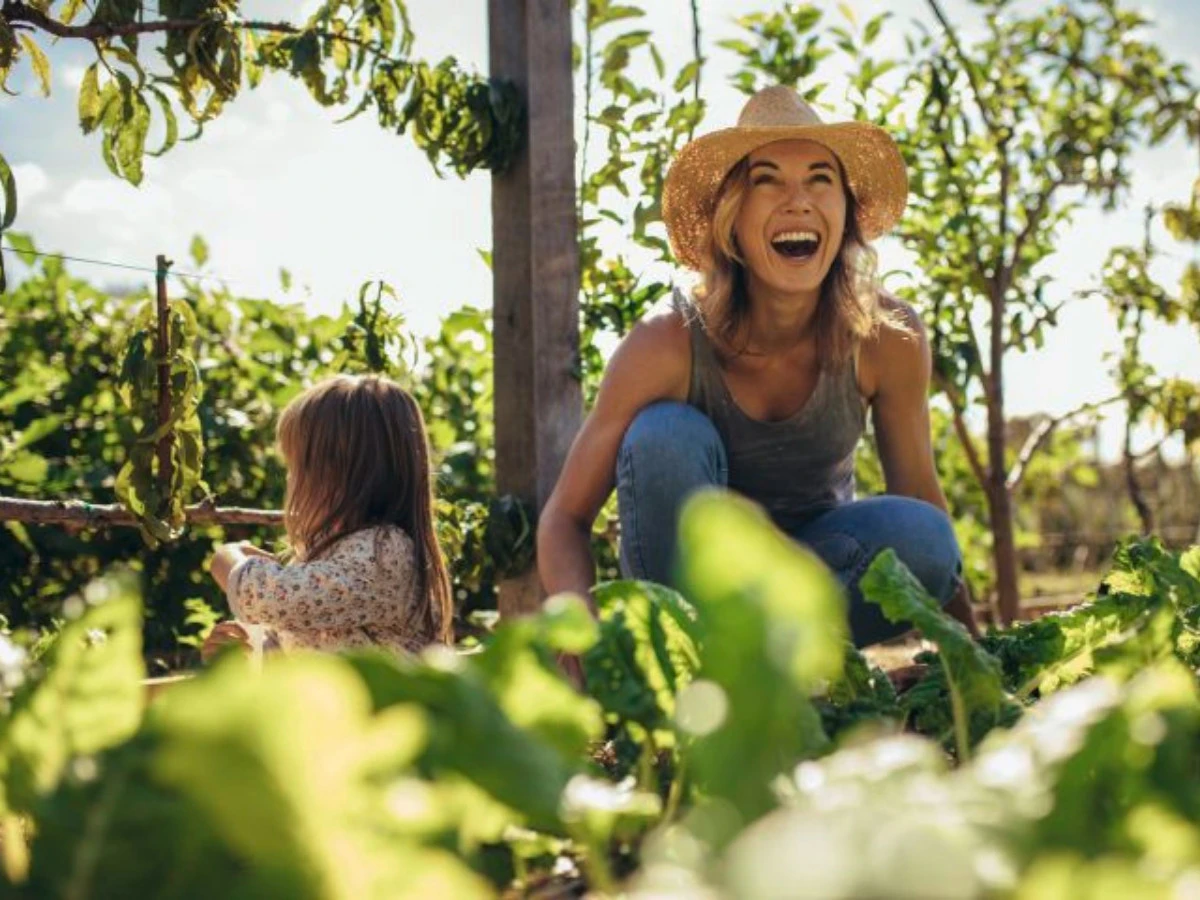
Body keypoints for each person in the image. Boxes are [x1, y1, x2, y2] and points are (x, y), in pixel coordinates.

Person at [537, 85, 978, 653]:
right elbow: (564, 519)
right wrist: (580, 638)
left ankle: (776, 669)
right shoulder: (666, 343)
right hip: (689, 602)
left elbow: (920, 497)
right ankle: (689, 670)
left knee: (925, 537)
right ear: (732, 217)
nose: (798, 201)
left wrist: (977, 660)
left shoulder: (886, 337)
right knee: (664, 434)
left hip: (816, 582)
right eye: (767, 181)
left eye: (821, 179)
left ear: (844, 215)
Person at [205, 374, 453, 659]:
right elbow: (299, 646)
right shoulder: (332, 553)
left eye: (296, 465)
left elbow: (272, 599)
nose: (289, 478)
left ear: (336, 474)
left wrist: (227, 559)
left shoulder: (384, 551)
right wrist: (246, 652)